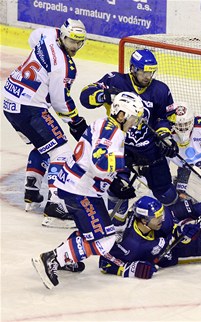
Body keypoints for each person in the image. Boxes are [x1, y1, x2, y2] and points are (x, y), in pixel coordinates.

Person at [31, 92, 144, 289]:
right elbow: (98, 163)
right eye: (133, 118)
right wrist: (124, 161)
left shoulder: (103, 124)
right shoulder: (113, 133)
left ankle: (68, 256)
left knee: (92, 231)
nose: (134, 123)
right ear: (121, 114)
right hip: (80, 190)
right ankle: (52, 258)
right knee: (105, 240)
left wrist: (116, 180)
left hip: (76, 185)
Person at [2, 19, 88, 228]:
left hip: (9, 99)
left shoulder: (48, 34)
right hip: (29, 108)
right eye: (71, 41)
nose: (74, 47)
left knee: (43, 145)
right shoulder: (63, 67)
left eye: (78, 42)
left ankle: (32, 193)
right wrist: (76, 121)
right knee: (62, 152)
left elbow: (33, 38)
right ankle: (56, 207)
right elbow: (60, 102)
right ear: (63, 36)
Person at [79, 49, 180, 221]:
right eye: (144, 72)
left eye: (151, 72)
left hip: (150, 150)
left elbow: (166, 118)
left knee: (167, 195)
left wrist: (165, 137)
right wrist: (103, 95)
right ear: (133, 68)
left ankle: (168, 223)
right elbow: (84, 97)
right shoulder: (115, 80)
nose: (148, 76)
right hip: (120, 149)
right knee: (118, 190)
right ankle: (118, 227)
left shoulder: (161, 90)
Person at [98, 195, 201, 279]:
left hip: (173, 224)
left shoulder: (159, 220)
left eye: (161, 214)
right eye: (156, 217)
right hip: (174, 250)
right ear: (143, 220)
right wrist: (133, 270)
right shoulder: (130, 244)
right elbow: (105, 263)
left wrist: (183, 227)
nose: (161, 218)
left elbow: (171, 224)